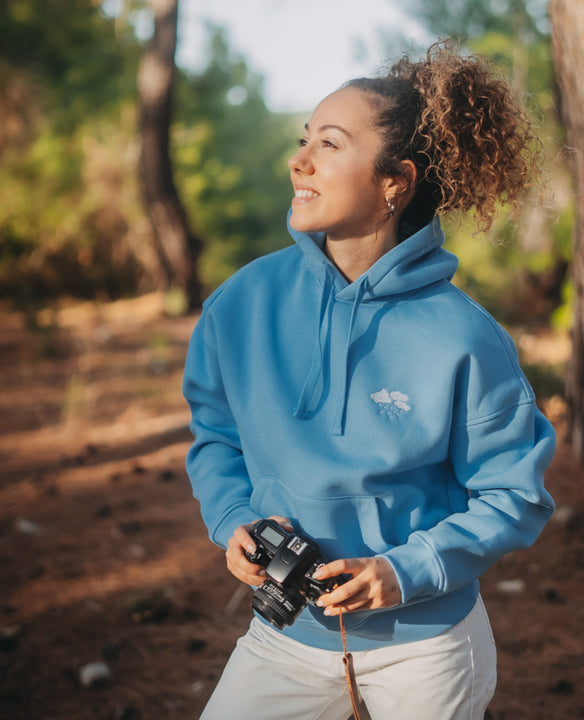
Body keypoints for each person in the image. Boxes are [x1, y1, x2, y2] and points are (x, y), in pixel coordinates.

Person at [183, 41, 556, 720]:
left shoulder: (465, 338)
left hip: (428, 648)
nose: (299, 160)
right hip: (288, 633)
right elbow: (215, 436)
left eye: (329, 144)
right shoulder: (240, 305)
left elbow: (514, 493)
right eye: (303, 140)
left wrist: (402, 572)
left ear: (396, 181)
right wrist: (232, 518)